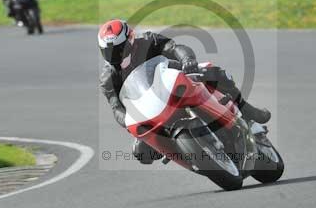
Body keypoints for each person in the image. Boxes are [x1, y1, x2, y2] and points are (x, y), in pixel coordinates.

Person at [98, 19, 271, 164]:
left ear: (130, 40)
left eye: (119, 49)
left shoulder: (148, 41)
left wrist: (187, 60)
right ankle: (186, 153)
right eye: (109, 51)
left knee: (214, 73)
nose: (115, 55)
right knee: (141, 152)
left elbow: (174, 48)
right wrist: (129, 121)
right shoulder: (108, 78)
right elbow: (116, 107)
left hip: (177, 81)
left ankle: (248, 111)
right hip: (150, 109)